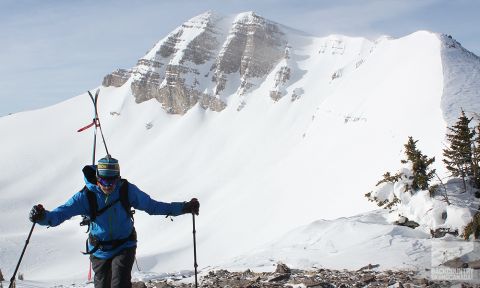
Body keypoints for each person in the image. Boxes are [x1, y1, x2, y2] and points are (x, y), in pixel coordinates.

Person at [29, 155, 200, 288]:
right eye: (104, 180)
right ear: (97, 178)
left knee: (120, 284)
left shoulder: (126, 190)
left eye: (113, 180)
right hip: (99, 250)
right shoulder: (85, 197)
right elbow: (59, 215)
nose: (109, 185)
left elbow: (152, 206)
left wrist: (184, 207)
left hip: (125, 245)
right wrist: (42, 217)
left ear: (118, 178)